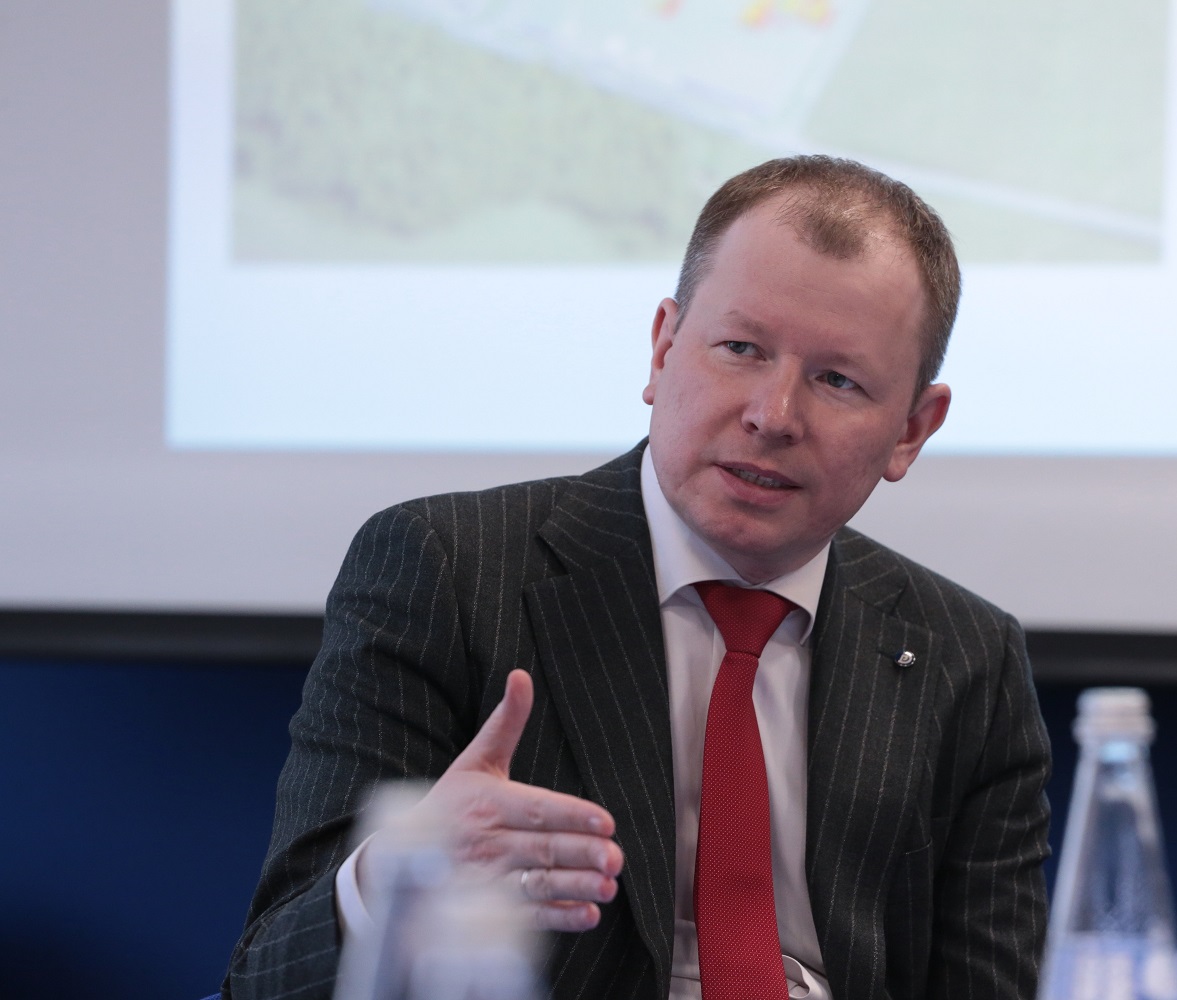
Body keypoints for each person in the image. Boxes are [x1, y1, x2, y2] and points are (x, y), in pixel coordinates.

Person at [224, 155, 1051, 1000]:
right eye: (740, 348)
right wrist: (393, 878)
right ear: (663, 348)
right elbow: (266, 978)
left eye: (837, 380)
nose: (772, 416)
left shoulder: (965, 659)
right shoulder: (447, 572)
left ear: (912, 429)